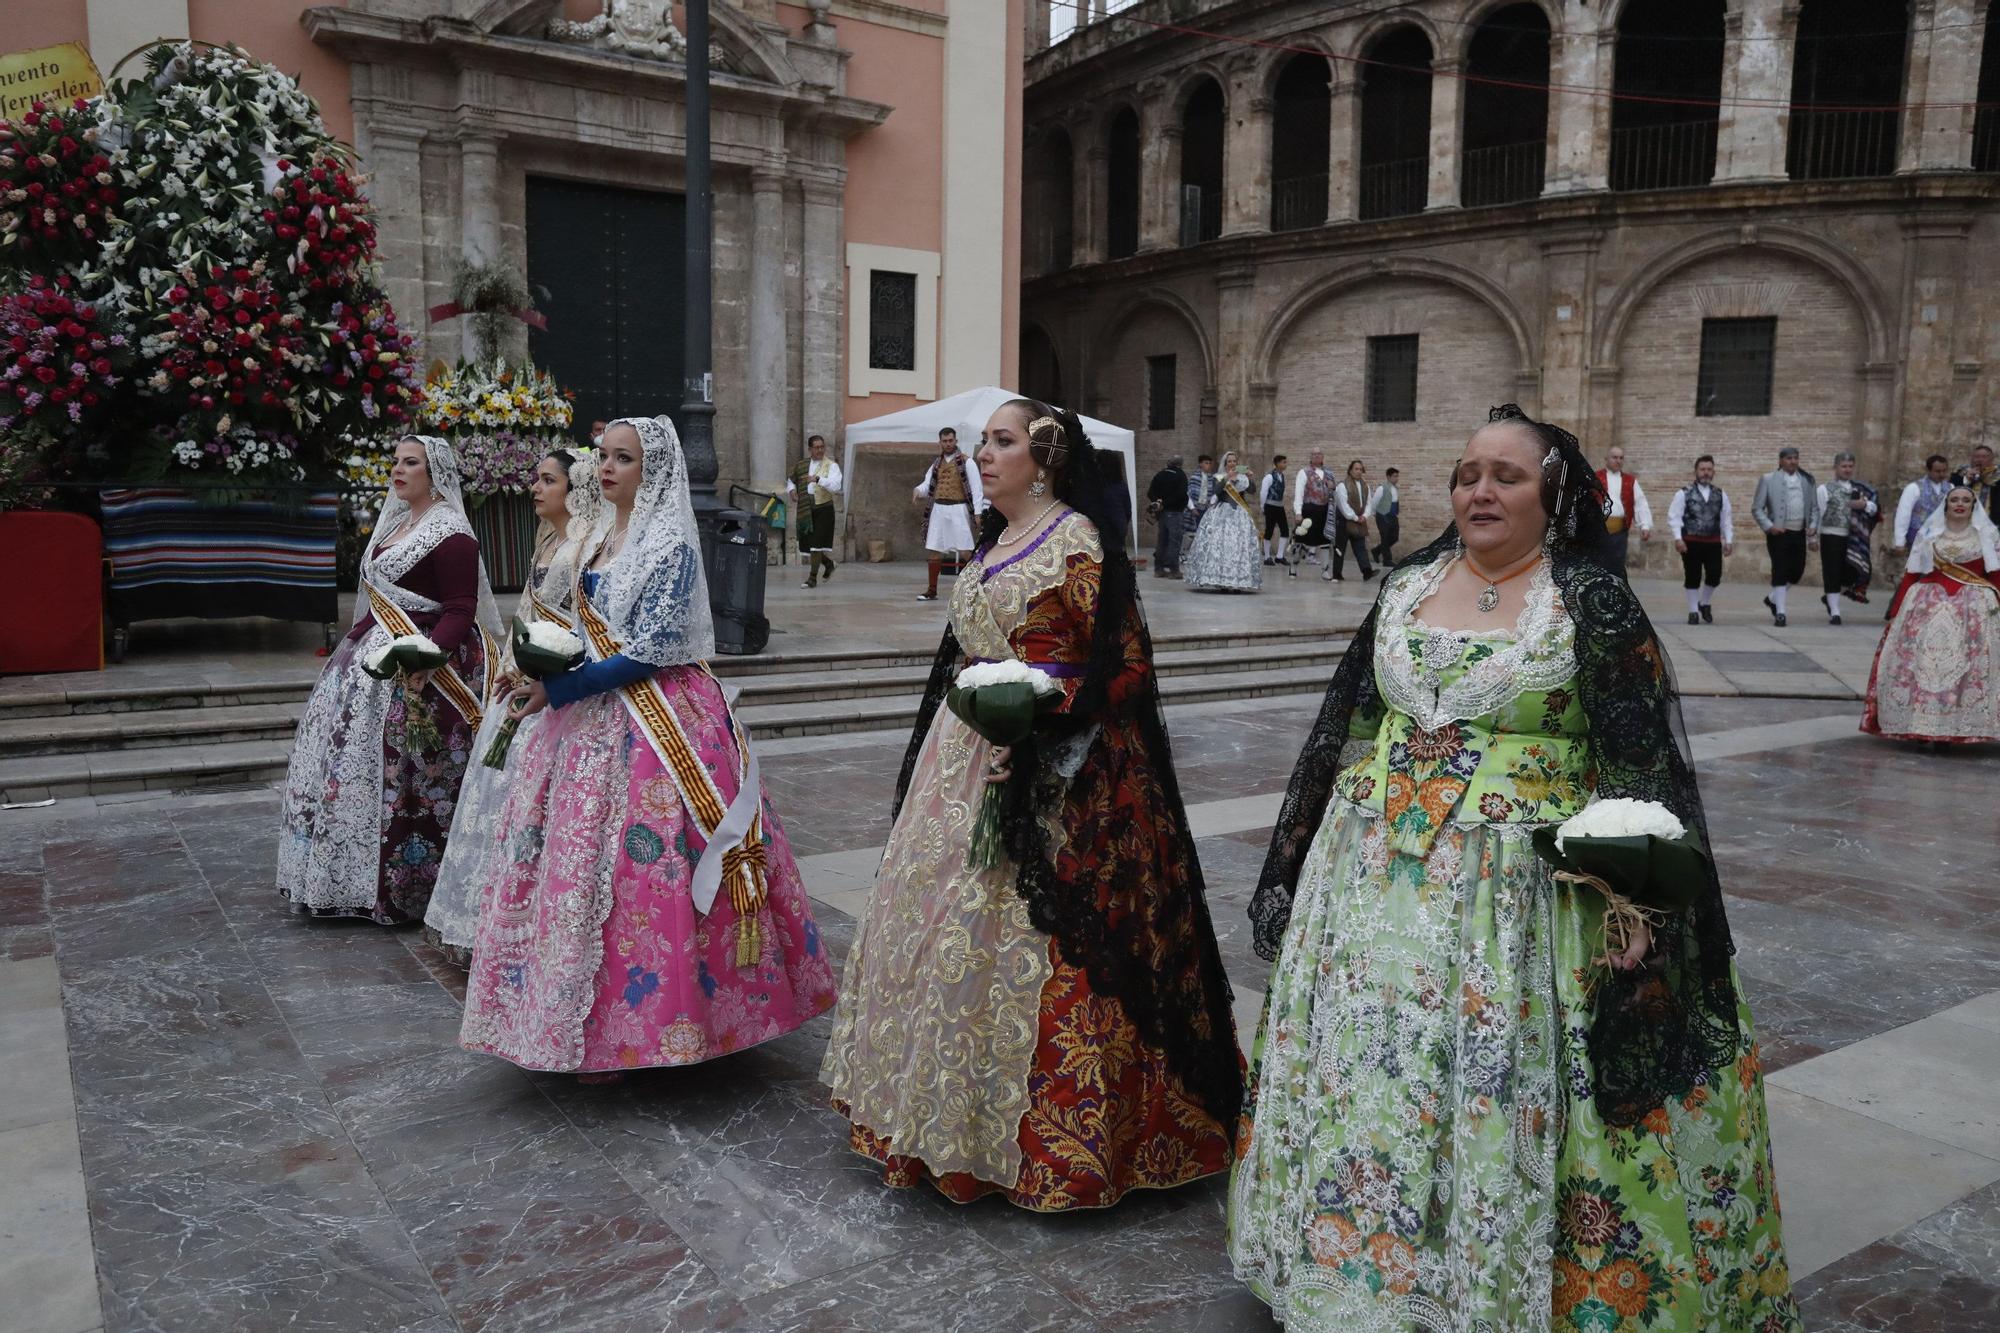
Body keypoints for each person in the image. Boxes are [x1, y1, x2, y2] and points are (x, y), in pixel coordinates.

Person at [1229, 404, 1798, 1332]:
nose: (1480, 490)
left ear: (1554, 493)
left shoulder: (1588, 601)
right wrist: (1308, 860)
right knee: (1377, 1073)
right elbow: (1354, 727)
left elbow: (1640, 764)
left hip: (1519, 897)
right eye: (1465, 475)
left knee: (1497, 1076)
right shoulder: (1408, 584)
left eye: (1506, 475)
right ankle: (1360, 1275)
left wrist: (1639, 903)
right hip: (1369, 887)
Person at [822, 398, 1241, 1211]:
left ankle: (1055, 1142)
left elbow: (1123, 666)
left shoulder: (1074, 539)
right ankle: (936, 1119)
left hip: (1056, 771)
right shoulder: (993, 540)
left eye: (1001, 442)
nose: (982, 454)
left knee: (1022, 938)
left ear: (1043, 459)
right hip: (964, 758)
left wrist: (1046, 700)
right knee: (939, 927)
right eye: (982, 442)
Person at [460, 417, 836, 1077]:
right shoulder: (599, 537)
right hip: (584, 723)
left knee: (652, 865)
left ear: (651, 470)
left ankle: (676, 1022)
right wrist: (539, 665)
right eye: (602, 456)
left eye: (623, 458)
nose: (606, 468)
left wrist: (562, 688)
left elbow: (648, 653)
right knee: (572, 866)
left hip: (659, 719)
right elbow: (578, 623)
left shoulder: (670, 546)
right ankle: (561, 1013)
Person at [278, 435, 501, 923]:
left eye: (411, 463)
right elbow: (379, 599)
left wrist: (425, 660)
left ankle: (401, 890)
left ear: (434, 472)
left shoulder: (452, 533)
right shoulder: (400, 523)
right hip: (368, 661)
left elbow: (461, 608)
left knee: (404, 776)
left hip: (420, 665)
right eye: (395, 462)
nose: (398, 471)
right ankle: (338, 878)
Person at [423, 450, 601, 963]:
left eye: (548, 480)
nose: (535, 489)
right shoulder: (549, 540)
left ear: (575, 488)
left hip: (554, 688)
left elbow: (583, 625)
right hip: (523, 679)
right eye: (536, 479)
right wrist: (508, 665)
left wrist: (547, 668)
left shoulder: (583, 546)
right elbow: (527, 611)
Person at [1862, 485, 2000, 744]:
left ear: (1973, 506)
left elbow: (1995, 575)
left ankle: (1960, 723)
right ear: (1946, 504)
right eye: (1955, 499)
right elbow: (1913, 573)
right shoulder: (1929, 533)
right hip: (1927, 603)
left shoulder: (1987, 534)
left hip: (1974, 608)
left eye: (1966, 501)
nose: (1960, 504)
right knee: (1923, 665)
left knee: (1968, 667)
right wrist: (1896, 610)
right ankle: (1922, 724)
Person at [914, 426, 984, 601]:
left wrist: (978, 512)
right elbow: (927, 484)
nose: (948, 444)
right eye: (944, 441)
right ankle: (932, 590)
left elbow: (976, 488)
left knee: (966, 550)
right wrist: (917, 490)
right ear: (940, 442)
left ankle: (975, 588)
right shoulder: (936, 464)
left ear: (956, 441)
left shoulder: (967, 462)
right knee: (935, 550)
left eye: (950, 440)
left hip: (959, 509)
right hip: (938, 509)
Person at [1752, 446, 1815, 626]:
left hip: (1799, 532)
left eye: (1795, 458)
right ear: (1780, 461)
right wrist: (1769, 526)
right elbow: (1757, 508)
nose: (1793, 461)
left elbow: (1814, 508)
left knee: (1797, 571)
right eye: (1789, 458)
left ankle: (1772, 598)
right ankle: (1781, 612)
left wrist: (1812, 528)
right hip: (1778, 533)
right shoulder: (1768, 479)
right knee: (1780, 570)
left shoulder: (1807, 480)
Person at [1184, 449, 1263, 593]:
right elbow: (1216, 491)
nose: (1232, 463)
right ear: (1225, 464)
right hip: (1221, 513)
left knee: (1238, 546)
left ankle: (1239, 581)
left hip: (1239, 514)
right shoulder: (1219, 476)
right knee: (1221, 546)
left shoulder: (1242, 477)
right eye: (1229, 461)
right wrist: (1227, 477)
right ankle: (1221, 581)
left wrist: (1250, 477)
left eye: (1234, 461)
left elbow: (1252, 490)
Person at [1667, 454, 1734, 624]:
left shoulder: (1721, 494)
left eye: (1709, 469)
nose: (1706, 473)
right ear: (1696, 472)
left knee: (1714, 575)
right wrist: (1677, 538)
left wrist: (1729, 540)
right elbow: (1674, 516)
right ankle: (1693, 611)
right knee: (1692, 575)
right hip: (1691, 540)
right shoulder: (1684, 493)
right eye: (1702, 469)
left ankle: (1704, 603)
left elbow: (1726, 519)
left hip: (1713, 541)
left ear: (1713, 472)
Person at [1814, 451, 1878, 625]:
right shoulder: (1824, 489)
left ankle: (1830, 599)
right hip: (1831, 535)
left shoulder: (1861, 489)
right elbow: (1818, 513)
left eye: (1850, 466)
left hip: (1855, 539)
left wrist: (1864, 504)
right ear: (1835, 468)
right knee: (1832, 571)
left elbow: (1874, 509)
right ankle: (1835, 611)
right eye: (1844, 466)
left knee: (1857, 570)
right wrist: (1813, 537)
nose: (1847, 470)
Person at [786, 433, 843, 589]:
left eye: (822, 447)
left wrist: (818, 479)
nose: (820, 450)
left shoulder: (832, 466)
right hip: (806, 509)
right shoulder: (802, 465)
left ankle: (812, 579)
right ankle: (829, 564)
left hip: (823, 509)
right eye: (816, 447)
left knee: (816, 545)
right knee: (809, 544)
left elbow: (836, 486)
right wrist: (791, 491)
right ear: (810, 449)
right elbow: (791, 480)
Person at [1595, 444, 1653, 576]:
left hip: (1620, 532)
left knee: (1616, 566)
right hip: (1598, 530)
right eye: (1614, 457)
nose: (1618, 461)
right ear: (1606, 459)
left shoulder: (1630, 481)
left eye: (1621, 458)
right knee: (1597, 565)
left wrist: (1645, 525)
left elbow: (1640, 503)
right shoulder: (1594, 478)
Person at [1328, 458, 1376, 582]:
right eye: (1356, 469)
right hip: (1344, 520)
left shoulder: (1365, 486)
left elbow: (1369, 503)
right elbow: (1343, 505)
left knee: (1360, 547)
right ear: (1350, 470)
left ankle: (1367, 571)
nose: (1359, 471)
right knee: (1340, 548)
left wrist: (1364, 516)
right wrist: (1354, 517)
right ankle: (1337, 573)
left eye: (1360, 469)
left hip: (1360, 520)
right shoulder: (1342, 486)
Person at [1145, 454, 1190, 579]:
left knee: (1162, 541)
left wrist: (1158, 502)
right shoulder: (1180, 475)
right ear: (1180, 464)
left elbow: (1150, 492)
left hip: (1162, 513)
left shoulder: (1160, 474)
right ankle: (1173, 570)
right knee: (1174, 542)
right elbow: (1181, 494)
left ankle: (1158, 569)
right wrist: (1166, 503)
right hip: (1175, 512)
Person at [1292, 450, 1335, 566]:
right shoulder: (1304, 472)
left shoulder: (1329, 473)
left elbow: (1333, 492)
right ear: (1310, 457)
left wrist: (1332, 487)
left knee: (1325, 540)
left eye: (1319, 454)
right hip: (1308, 510)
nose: (1316, 456)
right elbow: (1299, 493)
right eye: (1314, 454)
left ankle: (1325, 570)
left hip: (1324, 511)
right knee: (1301, 539)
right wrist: (1298, 512)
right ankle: (1293, 566)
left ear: (1323, 457)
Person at [1953, 442, 1999, 525]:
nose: (1980, 459)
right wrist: (1966, 479)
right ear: (1972, 459)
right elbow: (1952, 489)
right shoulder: (1961, 472)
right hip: (1965, 519)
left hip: (1992, 519)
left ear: (1991, 459)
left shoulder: (1997, 474)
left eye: (1984, 457)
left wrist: (1984, 477)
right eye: (1977, 457)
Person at [1261, 453, 1291, 565]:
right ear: (1277, 463)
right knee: (1269, 530)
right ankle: (1267, 557)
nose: (1285, 464)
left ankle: (1279, 555)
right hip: (1270, 505)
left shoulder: (1282, 476)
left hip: (1279, 505)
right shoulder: (1269, 476)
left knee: (1285, 530)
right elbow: (1263, 492)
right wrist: (1263, 506)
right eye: (1284, 462)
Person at [1369, 465, 1401, 565]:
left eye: (1397, 476)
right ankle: (1387, 560)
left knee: (1394, 537)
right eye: (1394, 476)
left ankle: (1376, 550)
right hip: (1383, 515)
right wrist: (1374, 513)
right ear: (1388, 477)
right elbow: (1374, 501)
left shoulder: (1395, 489)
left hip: (1392, 516)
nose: (1396, 478)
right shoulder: (1382, 488)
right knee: (1385, 537)